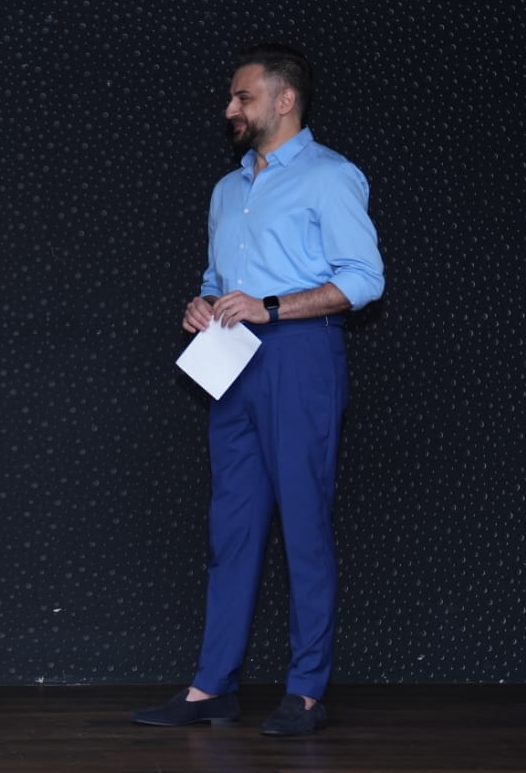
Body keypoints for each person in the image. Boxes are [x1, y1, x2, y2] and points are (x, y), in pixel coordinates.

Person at [133, 44, 384, 737]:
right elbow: (220, 282)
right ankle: (211, 686)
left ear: (285, 99)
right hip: (232, 358)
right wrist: (203, 302)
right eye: (231, 97)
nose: (230, 109)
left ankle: (306, 692)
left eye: (243, 96)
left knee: (304, 524)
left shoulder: (331, 177)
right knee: (231, 527)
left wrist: (270, 307)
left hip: (300, 356)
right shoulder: (227, 190)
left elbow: (365, 279)